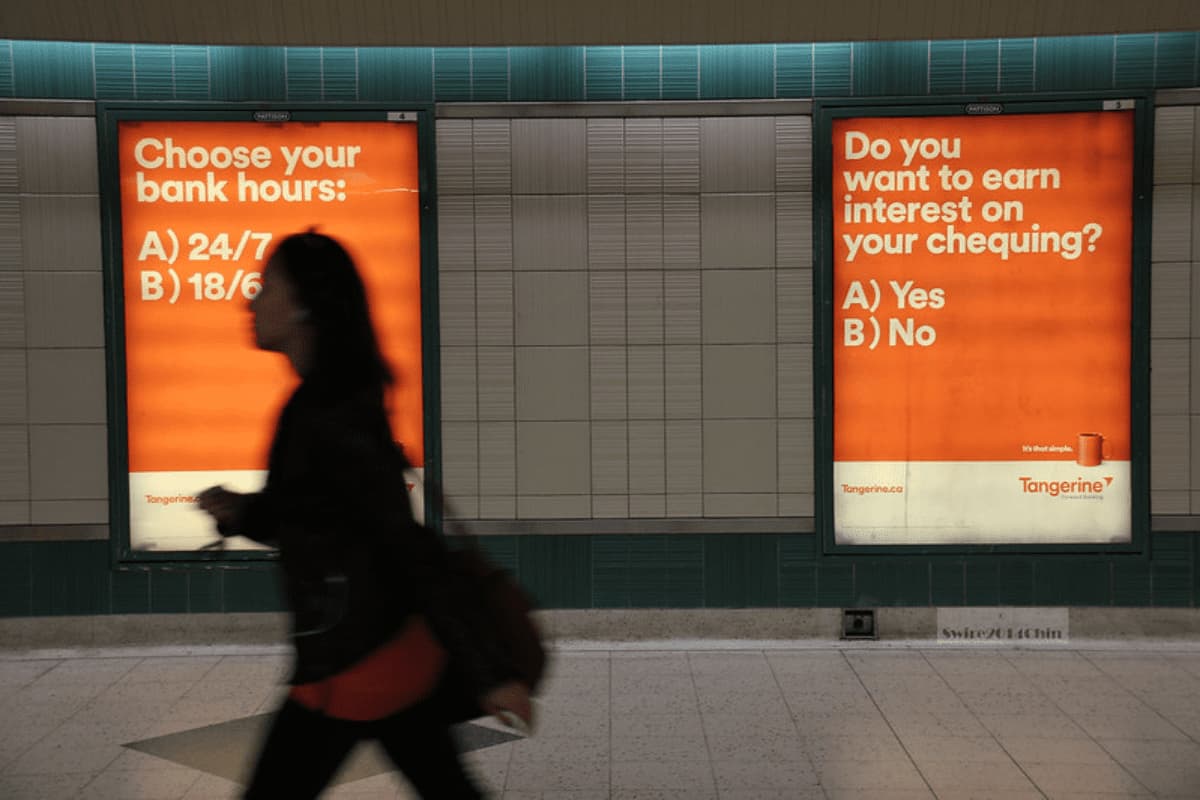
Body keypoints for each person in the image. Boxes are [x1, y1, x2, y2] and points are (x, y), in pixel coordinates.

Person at [196, 231, 530, 799]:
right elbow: (314, 518)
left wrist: (491, 671)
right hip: (372, 654)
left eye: (265, 285)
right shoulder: (320, 404)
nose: (248, 301)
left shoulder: (330, 412)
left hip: (352, 664)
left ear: (303, 304)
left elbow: (405, 543)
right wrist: (241, 512)